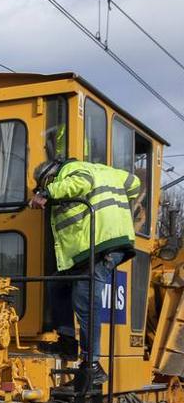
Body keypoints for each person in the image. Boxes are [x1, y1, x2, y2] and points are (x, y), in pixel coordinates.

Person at [31, 157, 141, 371]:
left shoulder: (72, 169)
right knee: (57, 284)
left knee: (85, 300)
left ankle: (92, 365)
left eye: (46, 183)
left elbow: (83, 182)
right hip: (97, 246)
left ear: (51, 175)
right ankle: (68, 344)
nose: (47, 187)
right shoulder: (105, 171)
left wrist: (47, 193)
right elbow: (134, 183)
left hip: (100, 243)